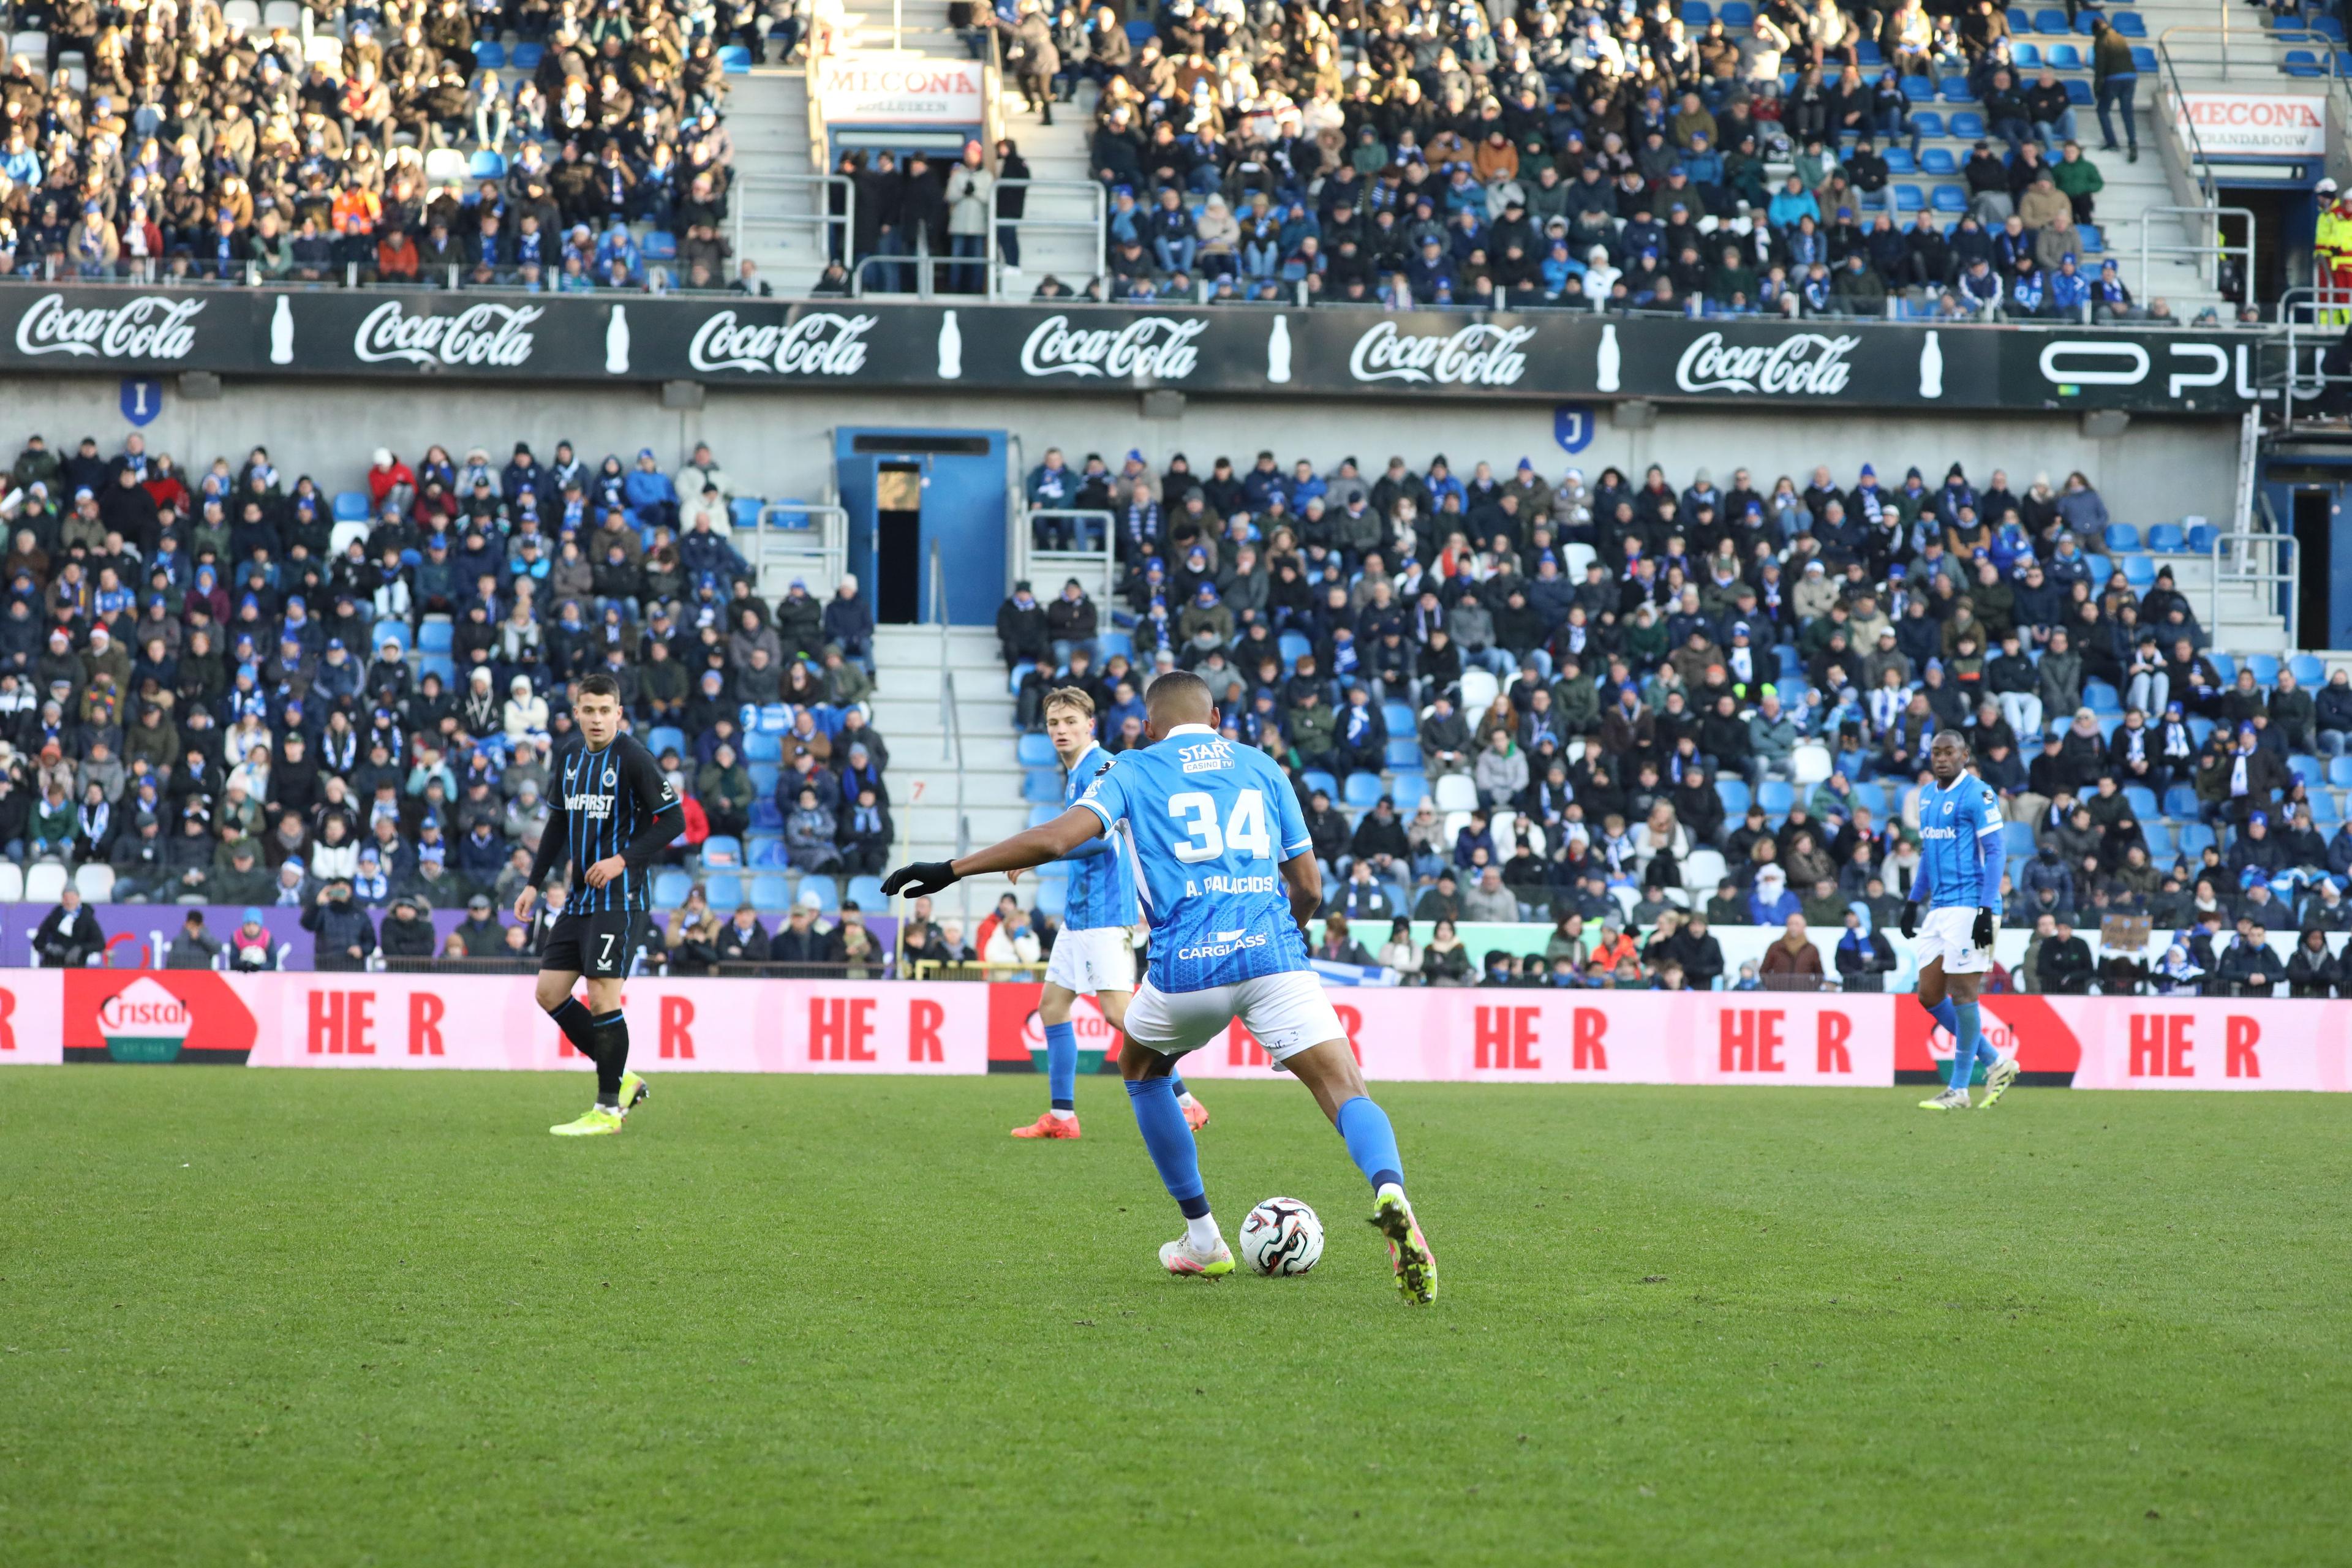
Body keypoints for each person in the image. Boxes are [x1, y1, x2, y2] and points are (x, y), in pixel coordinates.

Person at [884, 670, 1436, 1303]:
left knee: (1142, 1068)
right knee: (1344, 1086)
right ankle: (1390, 1189)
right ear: (1219, 719)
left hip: (1187, 968)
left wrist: (951, 868)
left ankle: (1203, 1240)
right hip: (1274, 956)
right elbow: (1308, 888)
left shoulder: (1131, 769)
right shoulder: (1263, 767)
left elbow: (1060, 836)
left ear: (1148, 727)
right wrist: (1286, 942)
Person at [1012, 685, 1208, 1140]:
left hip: (1106, 912)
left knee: (1121, 1015)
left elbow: (1100, 838)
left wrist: (1039, 853)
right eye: (1054, 724)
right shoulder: (1079, 770)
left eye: (1070, 722)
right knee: (1053, 1007)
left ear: (1090, 725)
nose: (1061, 730)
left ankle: (1186, 1102)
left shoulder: (1101, 768)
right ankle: (1062, 1118)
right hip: (1080, 913)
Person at [514, 673, 685, 1137]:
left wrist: (622, 860)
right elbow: (556, 825)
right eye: (587, 710)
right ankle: (623, 1079)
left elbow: (674, 820)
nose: (596, 718)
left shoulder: (633, 758)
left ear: (618, 714)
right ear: (576, 713)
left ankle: (607, 1109)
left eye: (604, 710)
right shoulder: (570, 756)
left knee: (603, 996)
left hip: (620, 898)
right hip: (579, 897)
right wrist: (534, 882)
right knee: (549, 991)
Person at [1904, 731, 2021, 1111]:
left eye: (1948, 752)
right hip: (1939, 908)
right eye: (1935, 752)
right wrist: (1912, 901)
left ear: (1964, 755)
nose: (1941, 758)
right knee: (1928, 994)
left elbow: (1996, 850)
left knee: (1963, 993)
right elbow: (1928, 851)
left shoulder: (1979, 793)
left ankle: (1959, 1090)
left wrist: (1986, 910)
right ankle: (1996, 1062)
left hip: (1971, 906)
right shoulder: (1926, 795)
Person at [34, 886, 104, 967]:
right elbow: (38, 942)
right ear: (62, 900)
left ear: (78, 899)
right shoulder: (54, 916)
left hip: (77, 965)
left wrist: (81, 949)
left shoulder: (87, 918)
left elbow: (100, 943)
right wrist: (50, 948)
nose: (69, 902)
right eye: (66, 898)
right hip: (52, 964)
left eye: (72, 898)